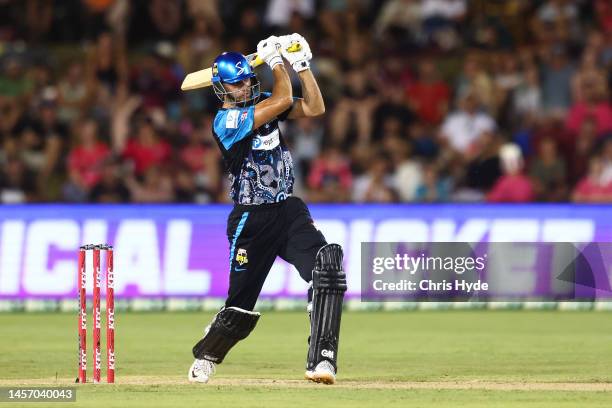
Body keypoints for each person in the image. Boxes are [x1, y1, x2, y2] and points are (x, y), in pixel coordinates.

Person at [186, 34, 347, 385]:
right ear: (223, 89)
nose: (245, 87)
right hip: (251, 220)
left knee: (328, 267)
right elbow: (284, 97)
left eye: (248, 80)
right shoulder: (226, 122)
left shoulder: (263, 101)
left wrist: (302, 66)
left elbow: (314, 107)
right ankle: (209, 353)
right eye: (238, 84)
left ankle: (322, 360)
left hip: (288, 211)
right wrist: (276, 60)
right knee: (239, 311)